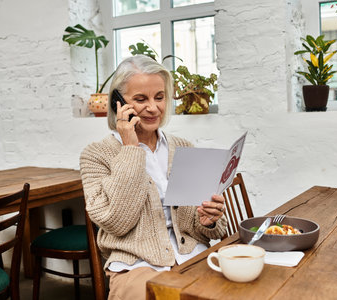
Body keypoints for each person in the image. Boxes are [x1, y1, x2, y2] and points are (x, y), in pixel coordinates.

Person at [79, 55, 227, 300]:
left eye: (159, 97)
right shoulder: (95, 155)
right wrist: (130, 149)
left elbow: (209, 231)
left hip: (192, 256)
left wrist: (208, 220)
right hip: (136, 265)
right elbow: (117, 222)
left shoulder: (183, 147)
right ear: (118, 103)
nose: (153, 107)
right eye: (140, 99)